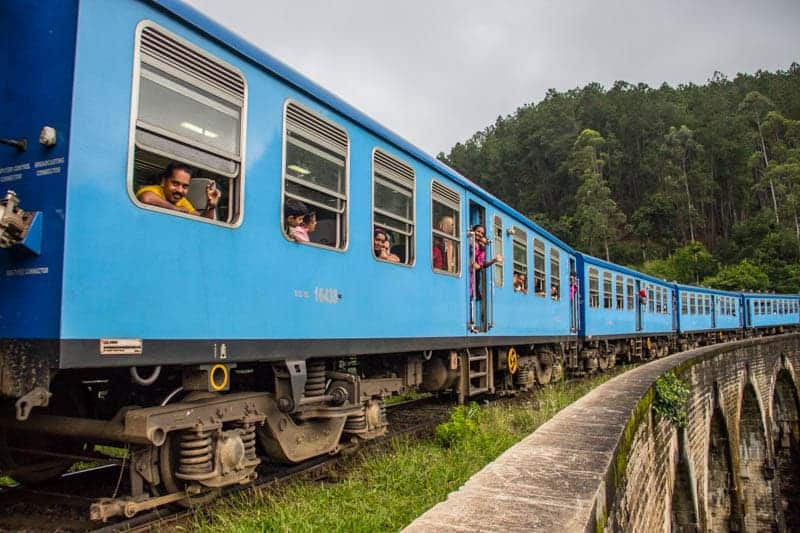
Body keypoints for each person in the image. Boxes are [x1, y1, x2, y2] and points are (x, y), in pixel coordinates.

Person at [137, 162, 219, 219]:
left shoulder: (183, 202)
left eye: (185, 186)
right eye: (175, 184)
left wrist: (211, 205)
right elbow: (146, 198)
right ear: (163, 181)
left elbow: (203, 220)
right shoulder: (154, 190)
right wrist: (175, 209)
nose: (180, 190)